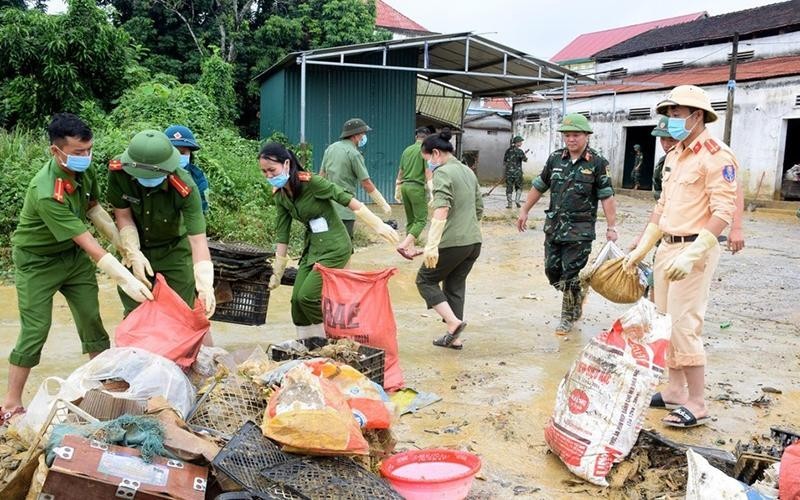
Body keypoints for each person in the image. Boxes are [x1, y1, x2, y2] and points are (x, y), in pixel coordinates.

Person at [1, 113, 152, 424]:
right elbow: (89, 243)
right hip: (37, 262)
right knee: (35, 329)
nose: (86, 156)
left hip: (72, 258)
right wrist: (123, 276)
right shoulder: (46, 191)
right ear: (55, 151)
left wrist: (126, 247)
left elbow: (93, 209)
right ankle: (11, 403)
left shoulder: (83, 170)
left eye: (89, 150)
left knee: (91, 318)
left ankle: (103, 388)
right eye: (78, 152)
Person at [624, 85, 739, 428]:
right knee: (665, 322)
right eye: (669, 114)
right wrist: (643, 247)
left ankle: (698, 403)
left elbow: (723, 211)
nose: (671, 120)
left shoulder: (717, 156)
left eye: (676, 115)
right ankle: (675, 390)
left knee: (685, 324)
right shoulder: (675, 154)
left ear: (696, 115)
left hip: (695, 248)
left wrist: (692, 255)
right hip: (667, 247)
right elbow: (662, 207)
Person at [261, 143, 400, 338]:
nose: (269, 176)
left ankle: (336, 338)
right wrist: (278, 270)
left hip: (335, 246)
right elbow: (282, 232)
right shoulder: (281, 195)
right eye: (264, 172)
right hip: (312, 249)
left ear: (286, 164)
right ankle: (308, 345)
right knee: (296, 303)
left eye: (272, 170)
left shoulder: (311, 183)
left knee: (308, 297)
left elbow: (344, 198)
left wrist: (377, 224)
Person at [516, 113, 617, 336]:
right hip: (554, 227)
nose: (571, 139)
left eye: (576, 135)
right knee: (552, 272)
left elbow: (607, 196)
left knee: (570, 274)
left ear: (586, 136)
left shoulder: (597, 162)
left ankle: (567, 317)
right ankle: (577, 295)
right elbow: (539, 185)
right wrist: (524, 210)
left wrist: (611, 227)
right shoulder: (555, 159)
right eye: (567, 135)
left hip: (580, 230)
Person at [107, 129, 216, 320]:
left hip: (173, 250)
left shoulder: (185, 186)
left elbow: (198, 240)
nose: (148, 179)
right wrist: (133, 252)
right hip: (135, 245)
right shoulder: (119, 171)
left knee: (181, 313)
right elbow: (123, 215)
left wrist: (205, 284)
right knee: (136, 314)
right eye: (143, 175)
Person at [415, 129, 482, 349]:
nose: (428, 165)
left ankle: (453, 323)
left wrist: (432, 245)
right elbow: (479, 208)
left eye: (427, 159)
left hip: (453, 242)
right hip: (473, 242)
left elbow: (442, 208)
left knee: (425, 280)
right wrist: (466, 229)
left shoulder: (442, 172)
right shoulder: (467, 171)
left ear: (435, 153)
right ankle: (455, 338)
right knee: (454, 285)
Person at [319, 118, 392, 240]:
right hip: (345, 208)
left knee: (329, 243)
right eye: (363, 133)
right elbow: (366, 183)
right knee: (345, 245)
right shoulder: (354, 154)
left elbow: (321, 176)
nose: (364, 136)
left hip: (328, 207)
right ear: (356, 136)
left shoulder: (331, 148)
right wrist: (383, 204)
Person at [394, 127, 433, 259]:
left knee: (411, 220)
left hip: (405, 187)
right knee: (421, 220)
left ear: (416, 137)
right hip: (416, 188)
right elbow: (428, 172)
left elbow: (401, 171)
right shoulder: (424, 150)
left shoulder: (407, 150)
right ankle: (403, 245)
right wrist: (432, 191)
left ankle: (411, 250)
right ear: (427, 138)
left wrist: (397, 187)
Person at [165, 125, 210, 215]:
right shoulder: (154, 173)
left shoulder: (197, 176)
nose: (178, 156)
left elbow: (201, 208)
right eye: (174, 152)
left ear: (190, 155)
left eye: (182, 153)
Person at [503, 135, 528, 208]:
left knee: (509, 187)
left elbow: (504, 162)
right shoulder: (520, 151)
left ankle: (509, 204)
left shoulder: (508, 151)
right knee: (519, 186)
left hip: (509, 173)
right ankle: (517, 201)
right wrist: (524, 155)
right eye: (520, 142)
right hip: (518, 173)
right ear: (517, 142)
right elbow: (525, 160)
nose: (521, 143)